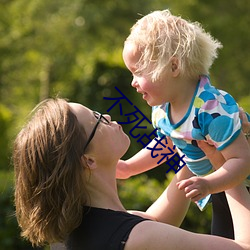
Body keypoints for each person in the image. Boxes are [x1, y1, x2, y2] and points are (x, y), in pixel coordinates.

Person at [13, 98, 250, 250]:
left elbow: (156, 221)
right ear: (88, 160)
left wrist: (192, 137)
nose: (106, 116)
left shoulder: (73, 234)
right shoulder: (138, 238)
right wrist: (226, 164)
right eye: (97, 120)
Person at [120, 9, 250, 239]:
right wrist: (130, 167)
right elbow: (168, 143)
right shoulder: (162, 109)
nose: (133, 82)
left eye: (138, 72)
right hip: (219, 187)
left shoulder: (210, 109)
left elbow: (242, 160)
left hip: (239, 185)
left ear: (173, 67)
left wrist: (209, 184)